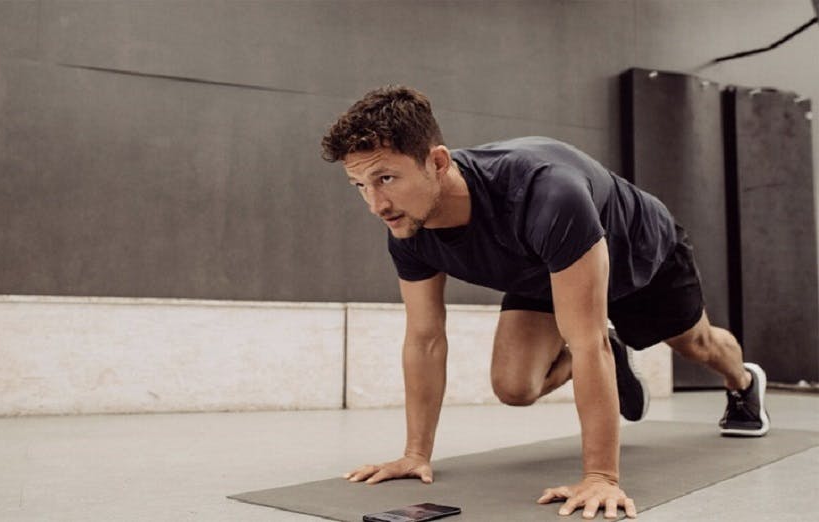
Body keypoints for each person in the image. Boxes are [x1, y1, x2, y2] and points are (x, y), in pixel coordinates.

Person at [320, 85, 770, 519]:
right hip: (542, 267)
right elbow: (424, 340)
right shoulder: (407, 226)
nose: (376, 203)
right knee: (515, 387)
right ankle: (615, 355)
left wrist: (600, 477)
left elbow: (585, 342)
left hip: (638, 250)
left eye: (386, 178)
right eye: (360, 185)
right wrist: (415, 454)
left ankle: (744, 385)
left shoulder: (546, 193)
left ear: (437, 162)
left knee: (697, 345)